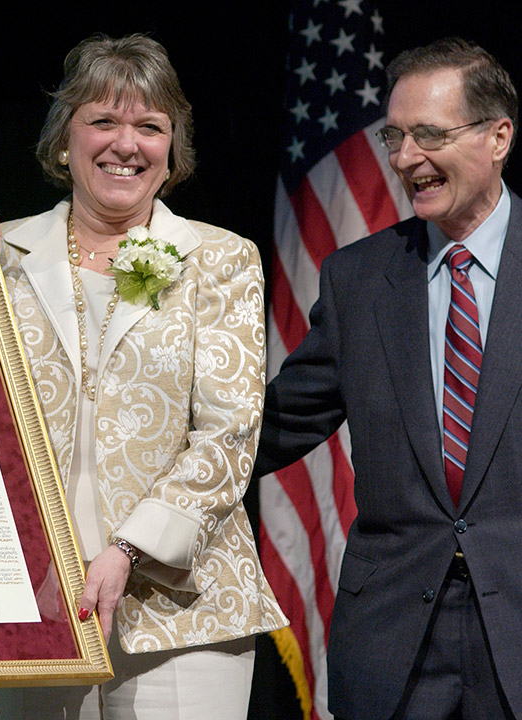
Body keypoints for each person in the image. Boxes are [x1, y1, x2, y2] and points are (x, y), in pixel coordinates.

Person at [0, 34, 285, 719]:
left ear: (172, 149)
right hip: (38, 603)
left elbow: (230, 432)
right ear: (64, 140)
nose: (128, 143)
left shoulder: (221, 260)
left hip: (183, 605)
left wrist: (128, 547)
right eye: (104, 121)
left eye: (150, 126)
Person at [254, 38, 521, 720]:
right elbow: (273, 428)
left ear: (499, 137)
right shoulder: (359, 278)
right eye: (395, 136)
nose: (405, 159)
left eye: (429, 135)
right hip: (394, 652)